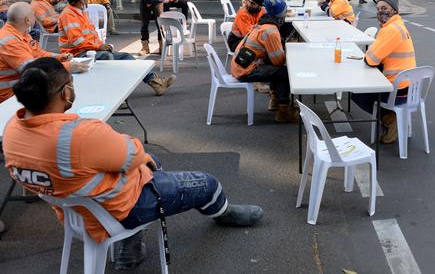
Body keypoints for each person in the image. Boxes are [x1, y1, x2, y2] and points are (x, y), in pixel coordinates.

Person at [3, 57, 263, 270]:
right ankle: (223, 213)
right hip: (118, 208)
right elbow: (133, 152)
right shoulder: (80, 134)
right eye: (70, 83)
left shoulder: (13, 129)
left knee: (154, 161)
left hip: (76, 209)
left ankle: (131, 244)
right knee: (207, 183)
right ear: (65, 92)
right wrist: (130, 147)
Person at [58, 0, 175, 96]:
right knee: (107, 56)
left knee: (126, 56)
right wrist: (99, 46)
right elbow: (77, 41)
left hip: (90, 50)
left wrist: (101, 46)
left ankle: (155, 82)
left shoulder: (80, 12)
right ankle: (114, 93)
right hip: (77, 53)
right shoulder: (68, 15)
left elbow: (92, 34)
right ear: (78, 1)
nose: (87, 1)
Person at [351, 0, 416, 144]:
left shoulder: (390, 30)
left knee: (357, 94)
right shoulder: (399, 25)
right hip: (408, 86)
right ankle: (390, 118)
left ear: (394, 10)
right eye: (378, 9)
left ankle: (389, 118)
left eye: (385, 8)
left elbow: (370, 60)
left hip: (396, 89)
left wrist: (371, 55)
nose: (381, 11)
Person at [0, 2, 86, 103]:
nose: (35, 19)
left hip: (22, 88)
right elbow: (31, 70)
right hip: (10, 96)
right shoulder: (10, 41)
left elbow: (39, 54)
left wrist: (60, 57)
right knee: (62, 93)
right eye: (33, 15)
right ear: (27, 20)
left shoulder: (21, 33)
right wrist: (65, 67)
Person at [230, 0, 297, 123]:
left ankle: (275, 101)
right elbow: (278, 61)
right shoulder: (271, 31)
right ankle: (284, 111)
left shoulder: (262, 24)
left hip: (239, 65)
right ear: (280, 17)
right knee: (284, 72)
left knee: (274, 68)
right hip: (246, 70)